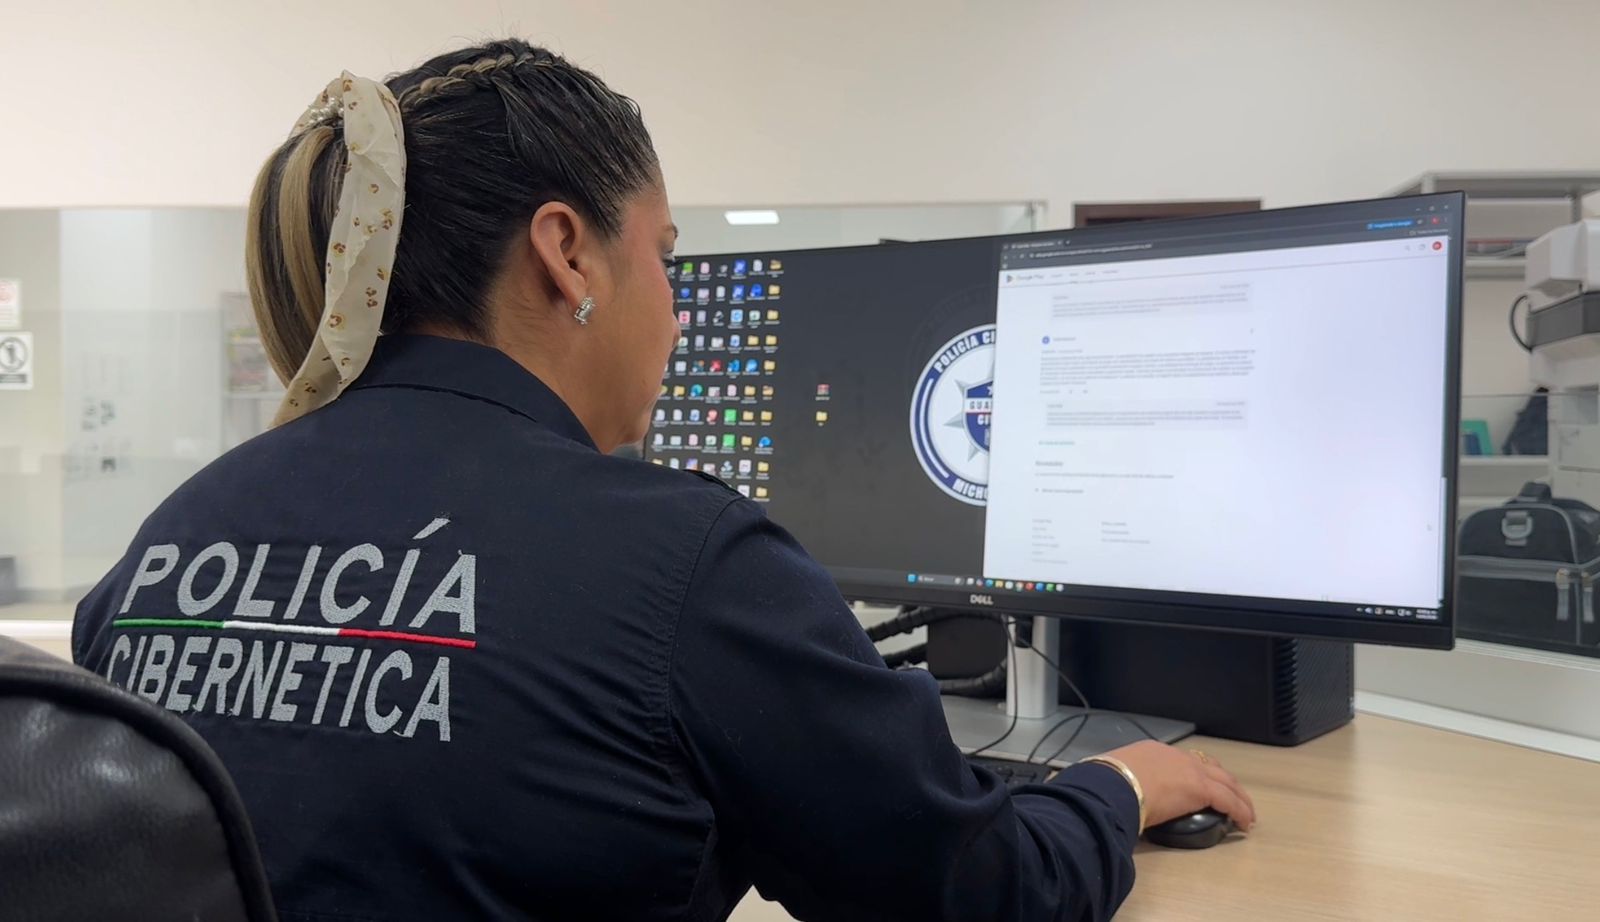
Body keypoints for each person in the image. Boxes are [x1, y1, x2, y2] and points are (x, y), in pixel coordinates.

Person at [71, 38, 1255, 922]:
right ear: (567, 253)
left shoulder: (171, 537)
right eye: (666, 256)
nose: (679, 312)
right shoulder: (684, 562)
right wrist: (1113, 788)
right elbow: (980, 892)